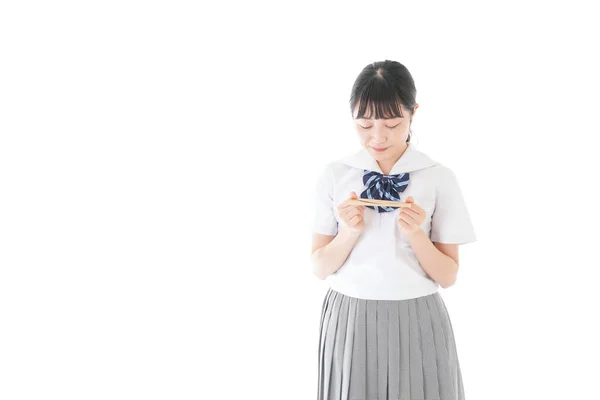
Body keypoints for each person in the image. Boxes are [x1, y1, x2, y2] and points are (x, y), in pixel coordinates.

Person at [311, 60, 477, 400]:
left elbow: (447, 276)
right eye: (365, 124)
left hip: (418, 315)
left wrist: (417, 233)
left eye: (392, 123)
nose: (378, 136)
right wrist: (349, 233)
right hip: (350, 317)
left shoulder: (438, 177)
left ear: (413, 113)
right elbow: (319, 267)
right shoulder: (335, 174)